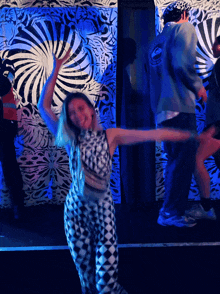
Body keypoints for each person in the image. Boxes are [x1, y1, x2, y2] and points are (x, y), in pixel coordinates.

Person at [37, 48, 199, 294]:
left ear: (91, 111)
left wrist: (185, 135)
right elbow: (43, 106)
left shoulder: (109, 136)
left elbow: (149, 134)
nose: (78, 115)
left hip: (103, 215)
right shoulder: (71, 139)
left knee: (106, 285)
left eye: (81, 108)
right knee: (88, 282)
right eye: (72, 112)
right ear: (68, 119)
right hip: (75, 214)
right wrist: (57, 67)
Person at [147, 1, 207, 227]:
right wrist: (199, 87)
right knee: (183, 161)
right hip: (179, 108)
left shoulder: (155, 42)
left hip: (161, 111)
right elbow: (183, 65)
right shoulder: (185, 28)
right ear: (184, 14)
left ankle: (168, 211)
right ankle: (171, 213)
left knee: (174, 161)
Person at [186, 36, 220, 220]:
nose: (213, 47)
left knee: (196, 158)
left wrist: (214, 128)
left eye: (216, 43)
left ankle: (207, 209)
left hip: (217, 126)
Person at [0, 57, 25, 220]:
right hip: (6, 122)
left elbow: (5, 85)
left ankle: (18, 205)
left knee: (9, 166)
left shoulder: (6, 64)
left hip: (5, 124)